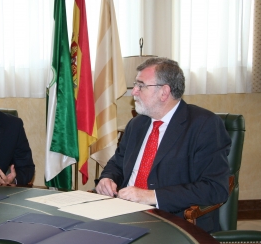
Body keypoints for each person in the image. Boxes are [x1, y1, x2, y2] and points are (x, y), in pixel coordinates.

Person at [95, 57, 231, 233]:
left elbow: (215, 188)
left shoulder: (204, 125)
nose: (133, 92)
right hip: (124, 214)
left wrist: (151, 196)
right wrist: (108, 179)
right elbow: (117, 163)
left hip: (173, 222)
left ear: (164, 92)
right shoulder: (137, 124)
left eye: (141, 85)